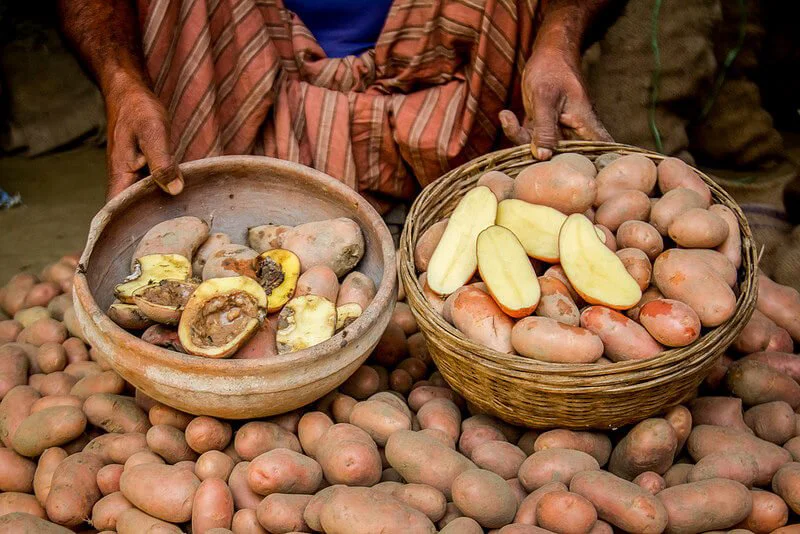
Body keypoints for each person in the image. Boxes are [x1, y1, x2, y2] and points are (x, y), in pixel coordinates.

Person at [59, 0, 613, 209]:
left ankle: (492, 203)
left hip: (451, 88)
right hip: (248, 76)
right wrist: (122, 84)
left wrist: (558, 40)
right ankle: (208, 205)